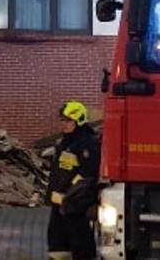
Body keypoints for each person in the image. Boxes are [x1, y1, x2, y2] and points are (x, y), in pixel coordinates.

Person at [46, 100, 100, 260]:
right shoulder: (64, 143)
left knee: (81, 245)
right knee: (57, 246)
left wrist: (70, 198)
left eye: (68, 120)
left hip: (76, 207)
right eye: (62, 120)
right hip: (59, 206)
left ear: (79, 120)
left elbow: (88, 176)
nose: (64, 124)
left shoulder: (88, 144)